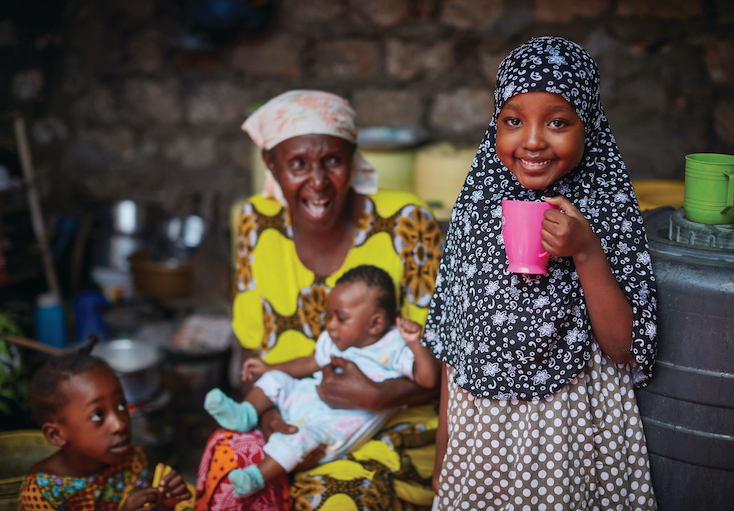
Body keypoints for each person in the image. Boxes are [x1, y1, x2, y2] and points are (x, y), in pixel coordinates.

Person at [422, 36, 659, 510]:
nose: (531, 140)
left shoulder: (606, 205)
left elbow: (624, 347)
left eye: (556, 122)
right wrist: (444, 445)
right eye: (513, 120)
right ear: (496, 124)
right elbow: (456, 338)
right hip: (482, 431)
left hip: (568, 429)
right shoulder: (477, 207)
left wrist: (586, 250)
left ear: (587, 124)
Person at [195, 90, 444, 511]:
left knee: (332, 500)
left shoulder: (406, 221)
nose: (317, 182)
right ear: (271, 165)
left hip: (389, 424)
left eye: (332, 160)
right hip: (288, 414)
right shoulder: (257, 222)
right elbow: (252, 346)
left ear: (353, 158)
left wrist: (380, 396)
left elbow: (447, 362)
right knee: (222, 477)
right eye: (297, 164)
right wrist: (271, 419)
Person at [203, 265, 440, 499]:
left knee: (298, 438)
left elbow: (428, 380)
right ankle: (245, 414)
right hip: (306, 398)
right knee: (276, 381)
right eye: (329, 316)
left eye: (341, 318)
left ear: (375, 324)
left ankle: (255, 477)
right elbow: (308, 363)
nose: (330, 325)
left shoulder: (393, 347)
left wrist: (415, 344)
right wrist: (269, 368)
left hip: (330, 426)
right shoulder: (334, 341)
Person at [18, 339, 194, 511]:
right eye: (98, 415)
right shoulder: (42, 492)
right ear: (56, 435)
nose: (120, 425)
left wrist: (164, 505)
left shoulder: (131, 461)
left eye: (121, 405)